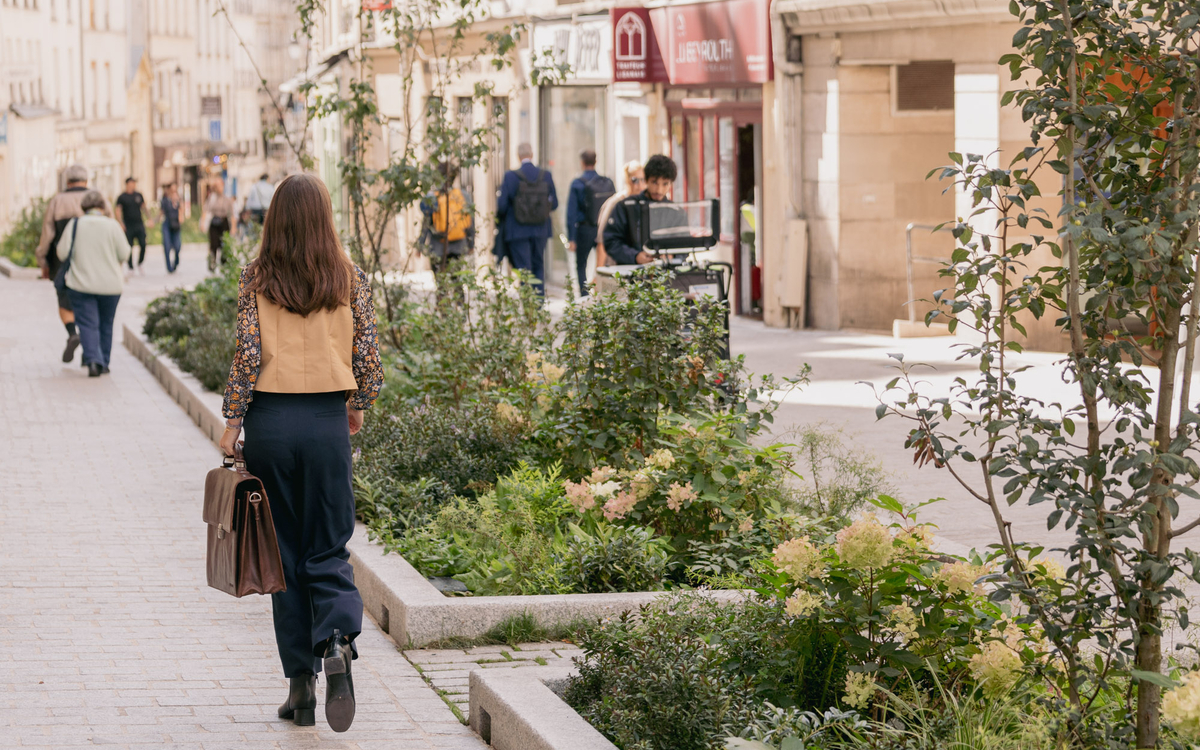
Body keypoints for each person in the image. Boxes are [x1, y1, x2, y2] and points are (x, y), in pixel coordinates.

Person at [218, 173, 382, 734]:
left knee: (282, 557)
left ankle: (300, 689)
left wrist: (233, 419)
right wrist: (356, 404)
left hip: (270, 422)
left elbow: (247, 353)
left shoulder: (256, 278)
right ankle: (335, 640)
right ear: (325, 217)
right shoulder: (349, 276)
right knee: (329, 543)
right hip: (324, 421)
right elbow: (369, 357)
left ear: (275, 219)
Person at [36, 163, 107, 364]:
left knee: (65, 300)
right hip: (95, 258)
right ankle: (90, 349)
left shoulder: (57, 201)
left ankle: (72, 332)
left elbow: (47, 233)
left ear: (67, 181)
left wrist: (42, 259)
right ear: (86, 181)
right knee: (91, 303)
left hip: (63, 260)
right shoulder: (97, 198)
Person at [55, 191, 131, 377]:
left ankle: (93, 361)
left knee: (88, 324)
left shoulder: (75, 225)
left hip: (81, 285)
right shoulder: (112, 226)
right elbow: (124, 254)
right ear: (102, 206)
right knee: (106, 323)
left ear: (84, 207)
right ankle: (104, 362)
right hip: (111, 287)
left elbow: (62, 253)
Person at [496, 143, 557, 294]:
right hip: (540, 230)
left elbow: (502, 206)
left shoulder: (510, 176)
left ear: (518, 156)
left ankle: (528, 305)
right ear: (532, 154)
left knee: (524, 269)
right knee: (538, 266)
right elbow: (554, 204)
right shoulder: (545, 175)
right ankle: (539, 305)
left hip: (517, 231)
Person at [603, 154, 683, 266]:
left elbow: (684, 244)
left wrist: (672, 255)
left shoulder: (676, 212)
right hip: (631, 274)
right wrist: (635, 256)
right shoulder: (626, 206)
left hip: (669, 275)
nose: (659, 190)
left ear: (671, 184)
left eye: (665, 184)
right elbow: (611, 241)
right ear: (646, 180)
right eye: (654, 182)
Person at [565, 148, 615, 297]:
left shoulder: (577, 183)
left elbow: (571, 213)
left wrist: (572, 238)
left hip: (585, 229)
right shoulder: (607, 182)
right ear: (596, 161)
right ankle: (604, 295)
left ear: (582, 163)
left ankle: (584, 297)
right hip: (604, 230)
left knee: (581, 265)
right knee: (604, 264)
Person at [419, 161, 475, 276]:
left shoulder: (433, 197)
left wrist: (420, 244)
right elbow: (470, 222)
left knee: (440, 284)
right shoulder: (463, 195)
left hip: (437, 246)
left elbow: (426, 223)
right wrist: (471, 244)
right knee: (457, 282)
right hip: (459, 245)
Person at [595, 160, 645, 268]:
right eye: (635, 180)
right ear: (627, 180)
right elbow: (602, 240)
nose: (640, 185)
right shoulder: (616, 203)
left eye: (643, 180)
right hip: (615, 264)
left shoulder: (643, 202)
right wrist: (598, 270)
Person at [202, 179, 236, 270]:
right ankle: (212, 264)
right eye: (217, 186)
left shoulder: (228, 200)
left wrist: (233, 228)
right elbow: (205, 210)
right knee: (213, 244)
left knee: (224, 244)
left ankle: (224, 263)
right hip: (214, 223)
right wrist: (203, 223)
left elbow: (232, 215)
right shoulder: (212, 198)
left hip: (224, 223)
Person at [115, 177, 147, 273]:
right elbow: (118, 210)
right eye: (131, 183)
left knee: (143, 243)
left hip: (139, 223)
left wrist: (150, 219)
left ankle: (140, 262)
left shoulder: (138, 195)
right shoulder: (122, 197)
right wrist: (120, 223)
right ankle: (130, 267)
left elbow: (144, 207)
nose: (133, 185)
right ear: (127, 184)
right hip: (128, 225)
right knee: (129, 246)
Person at [160, 183, 183, 273]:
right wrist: (153, 221)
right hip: (167, 224)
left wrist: (179, 206)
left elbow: (182, 216)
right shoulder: (165, 200)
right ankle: (169, 267)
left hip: (176, 226)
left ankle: (176, 261)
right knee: (166, 246)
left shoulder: (179, 201)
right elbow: (161, 213)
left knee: (178, 246)